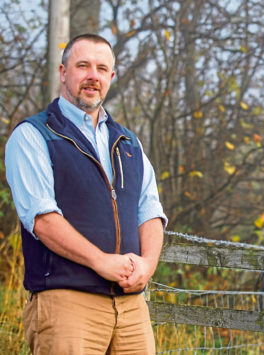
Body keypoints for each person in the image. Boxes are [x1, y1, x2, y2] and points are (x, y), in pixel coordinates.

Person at [5, 34, 167, 354]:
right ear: (64, 72)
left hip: (131, 307)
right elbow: (42, 219)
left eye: (102, 68)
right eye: (83, 66)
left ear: (111, 77)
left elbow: (149, 210)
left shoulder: (129, 144)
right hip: (67, 302)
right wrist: (100, 262)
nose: (93, 75)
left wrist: (147, 266)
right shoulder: (34, 135)